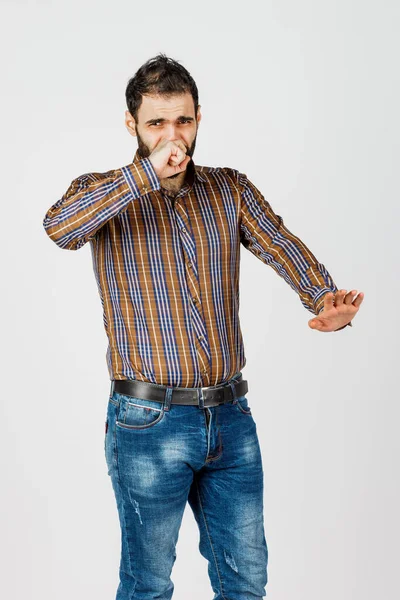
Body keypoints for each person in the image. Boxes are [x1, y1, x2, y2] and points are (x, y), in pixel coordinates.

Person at [42, 53, 363, 600]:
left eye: (184, 121)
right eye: (157, 123)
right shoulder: (102, 192)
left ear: (198, 118)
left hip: (231, 419)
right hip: (148, 422)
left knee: (247, 581)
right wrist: (145, 175)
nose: (174, 136)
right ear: (132, 126)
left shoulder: (228, 188)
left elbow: (278, 243)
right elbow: (59, 228)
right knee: (147, 584)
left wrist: (323, 298)